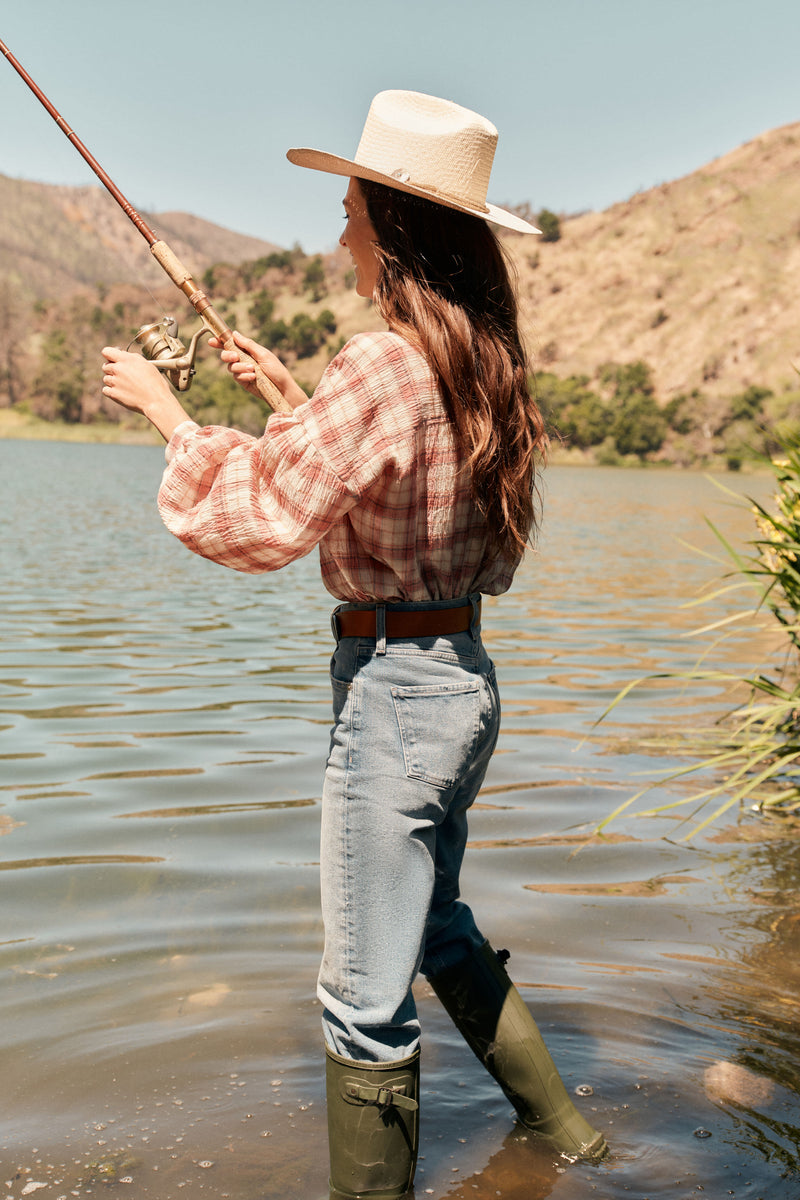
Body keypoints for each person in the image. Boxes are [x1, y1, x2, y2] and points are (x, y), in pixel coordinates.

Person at [101, 89, 606, 1200]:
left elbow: (267, 521)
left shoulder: (381, 363)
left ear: (393, 224)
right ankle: (572, 1147)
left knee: (359, 1004)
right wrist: (291, 395)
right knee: (437, 933)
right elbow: (385, 484)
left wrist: (167, 418)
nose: (337, 231)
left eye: (347, 209)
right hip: (461, 683)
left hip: (392, 697)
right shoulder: (481, 358)